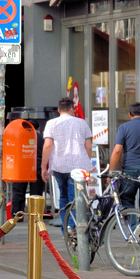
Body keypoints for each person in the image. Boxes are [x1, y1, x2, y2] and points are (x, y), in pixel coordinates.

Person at [41, 98, 93, 228]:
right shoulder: (82, 123)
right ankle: (72, 226)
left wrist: (43, 167)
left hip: (59, 165)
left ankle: (67, 229)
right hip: (78, 167)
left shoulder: (51, 123)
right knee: (75, 197)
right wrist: (87, 163)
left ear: (59, 110)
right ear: (72, 109)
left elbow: (47, 145)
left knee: (63, 196)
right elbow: (88, 146)